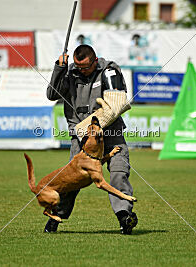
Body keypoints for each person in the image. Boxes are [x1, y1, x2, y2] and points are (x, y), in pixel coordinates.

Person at [46, 44, 138, 235]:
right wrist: (59, 69)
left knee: (119, 172)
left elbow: (117, 103)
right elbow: (52, 95)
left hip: (110, 133)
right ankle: (56, 217)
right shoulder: (69, 72)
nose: (82, 71)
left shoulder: (109, 70)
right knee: (71, 182)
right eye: (78, 67)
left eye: (86, 68)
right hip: (81, 139)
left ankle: (124, 217)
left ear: (95, 61)